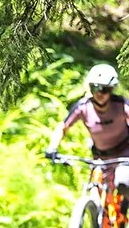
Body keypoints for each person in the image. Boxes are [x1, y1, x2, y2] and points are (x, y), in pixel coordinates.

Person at [46, 63, 129, 196]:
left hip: (125, 154)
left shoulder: (121, 105)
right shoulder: (83, 107)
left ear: (112, 89)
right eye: (95, 88)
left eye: (105, 89)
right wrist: (52, 147)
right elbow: (63, 127)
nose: (100, 93)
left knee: (123, 182)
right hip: (100, 157)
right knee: (94, 192)